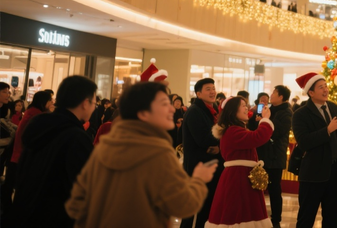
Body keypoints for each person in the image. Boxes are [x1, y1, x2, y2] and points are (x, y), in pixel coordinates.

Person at [66, 82, 215, 227]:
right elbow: (183, 205)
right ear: (143, 113)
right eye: (164, 104)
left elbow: (76, 204)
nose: (172, 109)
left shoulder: (106, 146)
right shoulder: (158, 152)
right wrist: (199, 180)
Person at [14, 76, 95, 228]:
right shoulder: (76, 137)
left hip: (27, 213)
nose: (93, 108)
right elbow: (83, 190)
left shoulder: (39, 125)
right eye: (94, 103)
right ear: (85, 103)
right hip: (57, 218)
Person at [291, 73, 337, 228]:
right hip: (313, 173)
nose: (326, 90)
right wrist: (327, 130)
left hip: (335, 171)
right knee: (306, 217)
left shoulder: (332, 107)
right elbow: (304, 142)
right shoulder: (300, 114)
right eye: (321, 87)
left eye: (326, 86)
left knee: (332, 218)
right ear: (311, 93)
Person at [204, 96, 274, 228]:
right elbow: (257, 137)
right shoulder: (232, 131)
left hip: (242, 175)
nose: (246, 107)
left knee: (246, 215)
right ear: (232, 111)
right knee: (238, 215)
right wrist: (265, 120)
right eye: (242, 105)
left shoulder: (236, 129)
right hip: (238, 178)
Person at [1, 90, 52, 225]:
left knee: (13, 188)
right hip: (22, 157)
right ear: (44, 102)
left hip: (18, 156)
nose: (52, 103)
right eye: (50, 100)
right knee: (20, 191)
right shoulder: (37, 114)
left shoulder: (32, 112)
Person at [181, 78, 224, 228]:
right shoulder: (195, 111)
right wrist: (221, 139)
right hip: (198, 168)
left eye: (213, 88)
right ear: (198, 94)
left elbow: (216, 137)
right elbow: (204, 139)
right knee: (194, 212)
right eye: (208, 89)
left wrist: (219, 146)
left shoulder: (214, 110)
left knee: (207, 210)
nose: (212, 91)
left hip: (211, 167)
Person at [257, 85, 293, 228]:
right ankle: (259, 215)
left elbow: (277, 131)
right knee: (257, 186)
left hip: (275, 156)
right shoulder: (269, 109)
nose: (271, 95)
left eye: (274, 93)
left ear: (281, 97)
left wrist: (267, 118)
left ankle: (276, 218)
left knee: (274, 188)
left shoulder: (286, 112)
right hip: (262, 153)